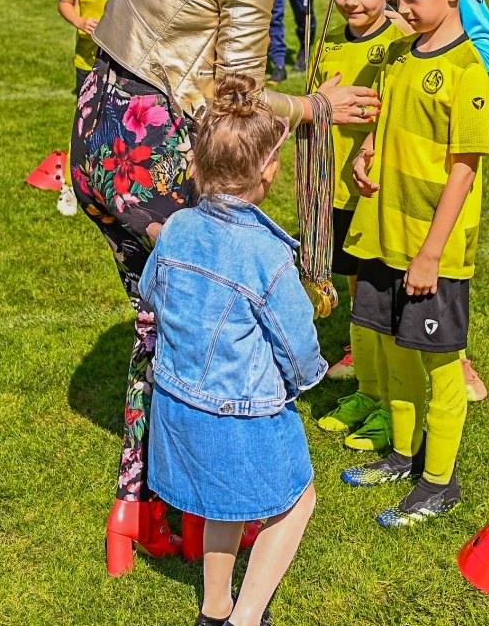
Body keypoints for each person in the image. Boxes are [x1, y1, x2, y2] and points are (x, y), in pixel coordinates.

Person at [77, 0, 379, 574]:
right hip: (152, 154)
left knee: (158, 311)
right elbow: (233, 99)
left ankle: (149, 504)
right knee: (190, 325)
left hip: (97, 128)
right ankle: (153, 503)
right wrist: (317, 108)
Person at [140, 73, 324, 626]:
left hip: (177, 405)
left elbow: (151, 290)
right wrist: (306, 379)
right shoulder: (266, 254)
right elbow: (298, 343)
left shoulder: (173, 229)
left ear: (195, 166)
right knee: (296, 502)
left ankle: (214, 608)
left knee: (223, 506)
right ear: (268, 170)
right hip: (243, 414)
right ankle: (245, 618)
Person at [342, 0, 489, 527]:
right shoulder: (402, 55)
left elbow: (463, 170)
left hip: (433, 249)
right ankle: (402, 455)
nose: (400, 10)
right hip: (384, 236)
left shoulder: (466, 70)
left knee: (438, 362)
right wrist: (364, 152)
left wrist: (431, 252)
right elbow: (385, 118)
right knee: (396, 349)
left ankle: (439, 481)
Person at [310, 0, 407, 458]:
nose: (352, 1)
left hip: (375, 193)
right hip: (334, 193)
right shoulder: (328, 40)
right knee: (356, 300)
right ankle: (367, 392)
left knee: (382, 304)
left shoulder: (396, 44)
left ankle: (395, 403)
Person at [54, 0, 125, 217]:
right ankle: (71, 185)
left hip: (125, 60)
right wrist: (80, 22)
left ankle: (118, 185)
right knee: (84, 124)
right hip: (87, 60)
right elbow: (65, 2)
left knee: (121, 123)